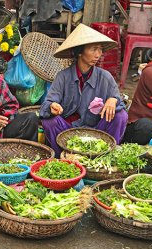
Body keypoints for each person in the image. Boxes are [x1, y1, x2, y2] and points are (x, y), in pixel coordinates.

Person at [39, 24, 127, 157]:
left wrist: (113, 100)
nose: (99, 54)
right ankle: (63, 158)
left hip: (97, 131)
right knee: (49, 121)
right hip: (68, 132)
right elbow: (47, 104)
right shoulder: (63, 76)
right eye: (94, 49)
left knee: (121, 116)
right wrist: (52, 106)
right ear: (80, 52)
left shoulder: (105, 77)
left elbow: (120, 101)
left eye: (100, 49)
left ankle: (108, 155)